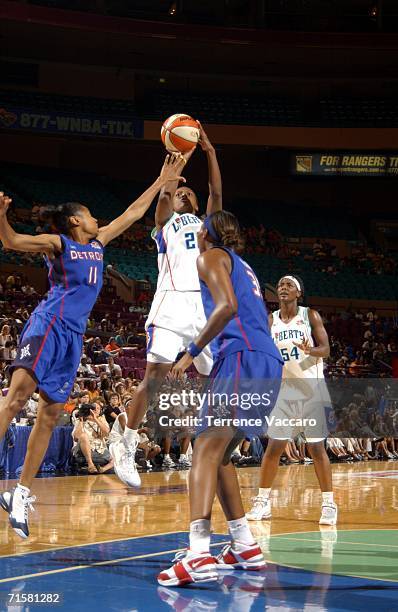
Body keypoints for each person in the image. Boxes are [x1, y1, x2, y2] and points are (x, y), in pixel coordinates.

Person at [0, 154, 186, 538]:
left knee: (50, 417)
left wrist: (161, 178)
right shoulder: (59, 242)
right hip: (48, 325)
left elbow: (134, 213)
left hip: (73, 338)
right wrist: (2, 215)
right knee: (16, 399)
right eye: (88, 215)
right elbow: (12, 240)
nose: (96, 218)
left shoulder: (100, 242)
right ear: (74, 221)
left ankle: (20, 493)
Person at [157, 210, 283, 587]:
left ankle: (197, 554)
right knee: (222, 455)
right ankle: (244, 544)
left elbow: (227, 307)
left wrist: (190, 351)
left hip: (241, 357)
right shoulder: (244, 265)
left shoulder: (209, 256)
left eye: (200, 225)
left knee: (203, 449)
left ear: (207, 232)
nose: (196, 229)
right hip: (266, 362)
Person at [112, 123, 223, 487]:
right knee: (154, 377)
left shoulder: (208, 224)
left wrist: (209, 152)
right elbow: (161, 201)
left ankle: (208, 444)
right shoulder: (166, 224)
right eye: (181, 193)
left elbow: (216, 193)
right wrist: (172, 173)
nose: (185, 195)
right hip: (172, 303)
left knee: (214, 380)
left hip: (203, 308)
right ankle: (126, 444)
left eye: (189, 193)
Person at [246, 275, 338, 526]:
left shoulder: (311, 316)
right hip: (284, 389)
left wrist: (311, 351)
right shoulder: (271, 320)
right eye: (280, 286)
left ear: (299, 292)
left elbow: (326, 349)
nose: (283, 288)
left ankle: (329, 503)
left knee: (316, 448)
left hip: (312, 388)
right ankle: (263, 501)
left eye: (288, 285)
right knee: (274, 447)